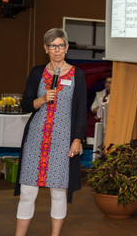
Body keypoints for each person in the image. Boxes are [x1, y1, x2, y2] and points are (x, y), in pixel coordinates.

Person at [13, 28, 87, 236]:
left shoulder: (76, 74)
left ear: (67, 47)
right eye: (52, 46)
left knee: (58, 191)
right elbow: (25, 104)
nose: (57, 50)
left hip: (63, 140)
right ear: (46, 48)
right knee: (27, 191)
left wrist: (77, 139)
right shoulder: (37, 72)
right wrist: (43, 99)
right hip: (36, 138)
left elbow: (81, 110)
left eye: (61, 45)